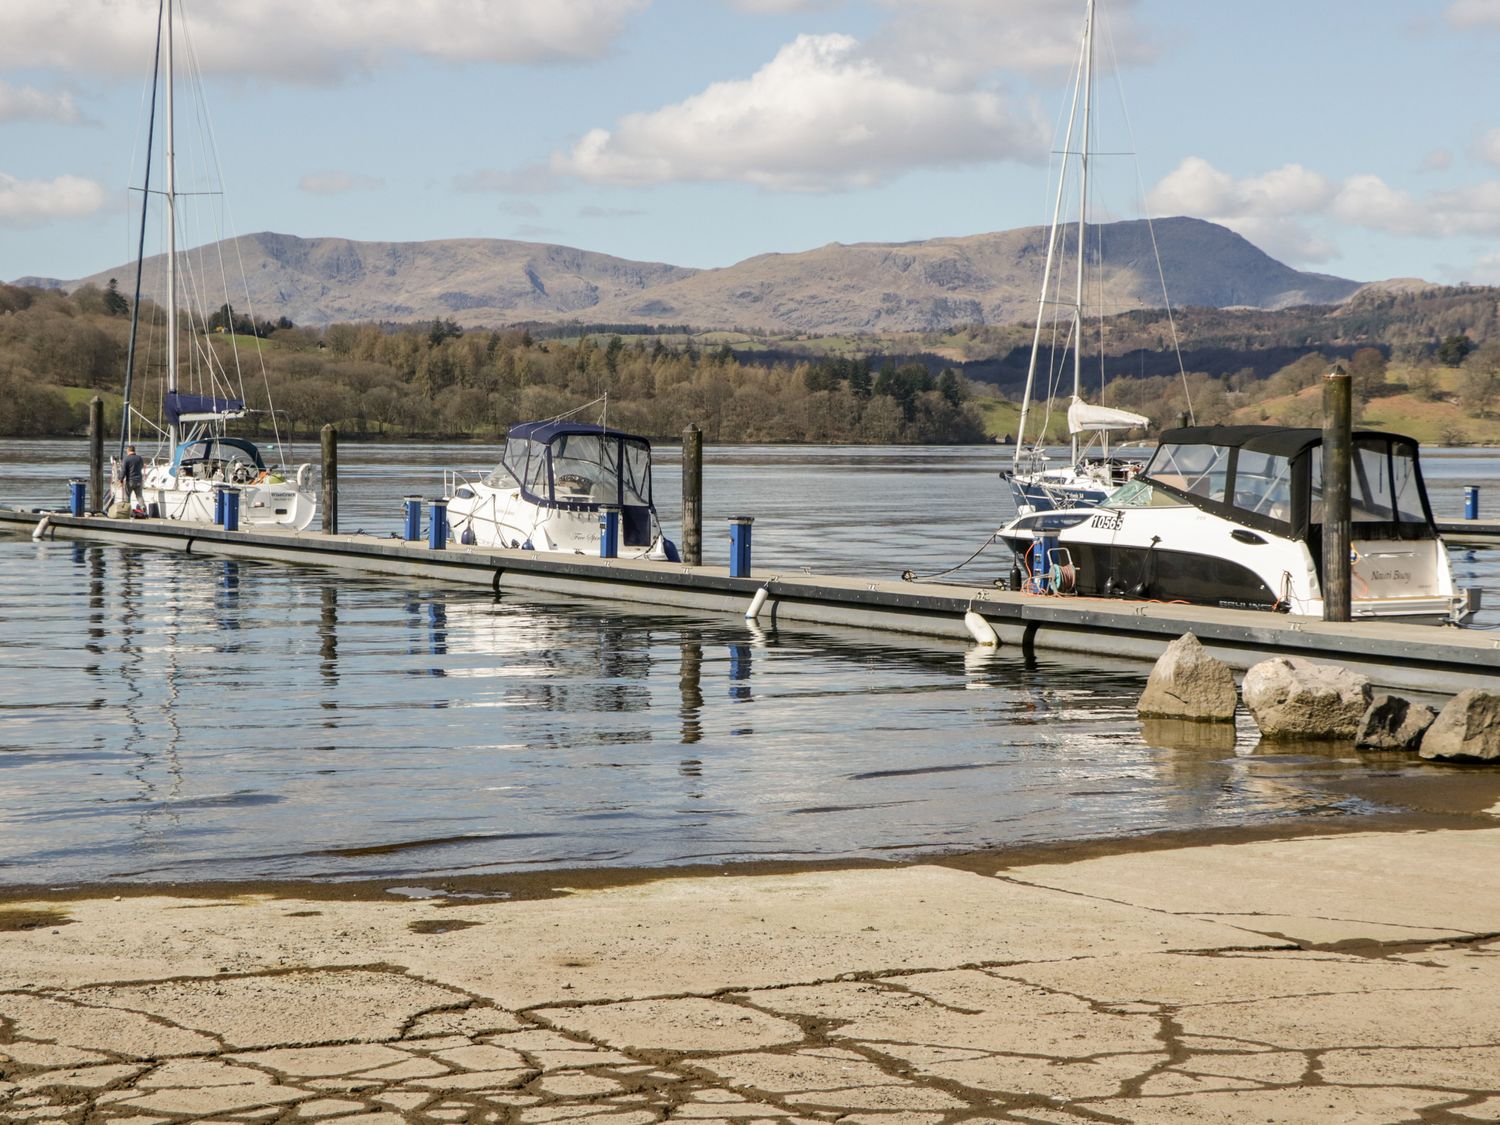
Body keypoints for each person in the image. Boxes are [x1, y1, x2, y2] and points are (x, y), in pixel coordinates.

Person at [121, 444, 146, 514]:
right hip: (139, 480)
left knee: (127, 496)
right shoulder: (139, 458)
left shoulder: (126, 459)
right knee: (139, 496)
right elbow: (141, 466)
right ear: (134, 450)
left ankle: (127, 511)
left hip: (130, 481)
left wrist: (121, 479)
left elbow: (123, 470)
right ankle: (143, 507)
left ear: (128, 451)